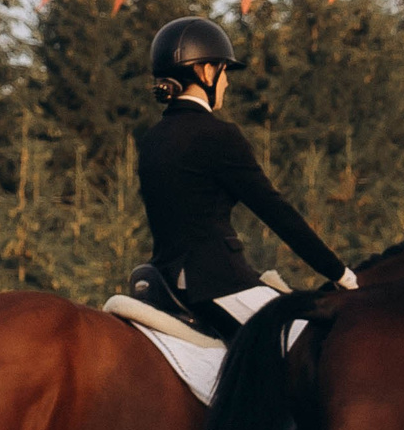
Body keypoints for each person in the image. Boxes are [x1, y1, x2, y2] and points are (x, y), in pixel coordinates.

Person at [134, 17, 354, 337]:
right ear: (206, 71)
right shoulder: (216, 135)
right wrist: (339, 273)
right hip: (216, 282)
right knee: (306, 341)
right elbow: (275, 211)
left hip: (164, 282)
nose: (227, 83)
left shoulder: (152, 138)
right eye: (224, 72)